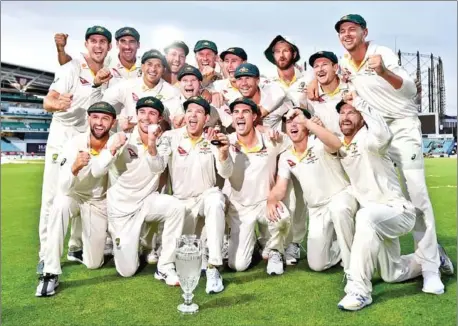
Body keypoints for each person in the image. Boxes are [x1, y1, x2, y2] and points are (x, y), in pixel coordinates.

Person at [331, 13, 453, 294]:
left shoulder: (380, 53)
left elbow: (410, 90)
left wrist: (384, 71)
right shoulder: (346, 63)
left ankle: (431, 268)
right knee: (381, 197)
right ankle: (386, 263)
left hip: (402, 130)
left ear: (365, 32)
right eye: (342, 31)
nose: (347, 34)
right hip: (375, 132)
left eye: (352, 29)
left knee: (418, 197)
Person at [330, 92, 450, 310]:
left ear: (363, 117)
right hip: (377, 220)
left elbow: (383, 135)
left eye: (352, 112)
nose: (345, 116)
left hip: (398, 212)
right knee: (392, 274)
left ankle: (359, 290)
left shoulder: (371, 140)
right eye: (342, 112)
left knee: (364, 216)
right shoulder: (342, 144)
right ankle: (435, 257)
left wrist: (361, 102)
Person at [37, 25, 112, 274]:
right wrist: (54, 104)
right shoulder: (71, 68)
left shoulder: (105, 69)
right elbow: (50, 98)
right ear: (86, 44)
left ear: (108, 47)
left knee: (86, 190)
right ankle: (45, 254)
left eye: (103, 41)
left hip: (87, 140)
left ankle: (75, 245)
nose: (99, 46)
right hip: (62, 139)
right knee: (53, 196)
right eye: (94, 41)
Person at [91, 96, 187, 284]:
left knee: (176, 207)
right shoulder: (121, 138)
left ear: (159, 119)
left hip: (146, 202)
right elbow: (96, 171)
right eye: (142, 112)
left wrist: (152, 144)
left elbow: (158, 168)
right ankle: (128, 241)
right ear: (136, 115)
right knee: (127, 271)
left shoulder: (163, 142)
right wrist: (111, 149)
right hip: (121, 210)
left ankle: (165, 267)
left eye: (152, 113)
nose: (146, 117)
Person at [35, 101, 117, 297]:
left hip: (97, 202)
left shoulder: (117, 143)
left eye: (105, 118)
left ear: (113, 122)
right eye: (95, 117)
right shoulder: (74, 143)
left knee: (94, 263)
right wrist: (74, 167)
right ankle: (50, 270)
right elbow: (62, 187)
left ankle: (80, 248)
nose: (99, 123)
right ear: (88, 118)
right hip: (74, 195)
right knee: (59, 204)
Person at [156, 96, 233, 294]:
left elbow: (225, 173)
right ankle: (165, 264)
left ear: (206, 118)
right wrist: (152, 144)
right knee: (185, 259)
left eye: (199, 112)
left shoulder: (213, 138)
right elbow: (157, 166)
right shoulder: (171, 137)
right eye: (189, 111)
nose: (193, 115)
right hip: (181, 205)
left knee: (216, 198)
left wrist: (223, 153)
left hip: (205, 199)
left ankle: (214, 268)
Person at [268, 108, 357, 274]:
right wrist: (271, 200)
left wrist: (308, 122)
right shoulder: (287, 156)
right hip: (316, 209)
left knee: (339, 210)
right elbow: (280, 187)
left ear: (307, 125)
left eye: (297, 120)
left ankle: (353, 267)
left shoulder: (319, 142)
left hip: (341, 197)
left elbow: (337, 144)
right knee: (317, 265)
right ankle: (345, 246)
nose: (293, 125)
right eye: (289, 121)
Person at [225, 97, 291, 275]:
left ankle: (276, 250)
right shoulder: (227, 141)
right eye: (236, 112)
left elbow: (293, 143)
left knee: (282, 216)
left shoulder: (272, 139)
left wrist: (274, 195)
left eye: (245, 111)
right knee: (237, 266)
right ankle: (251, 240)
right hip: (239, 209)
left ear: (254, 116)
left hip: (265, 203)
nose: (240, 116)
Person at [90, 49, 183, 130]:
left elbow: (175, 125)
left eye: (158, 66)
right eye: (149, 64)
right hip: (129, 144)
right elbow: (98, 106)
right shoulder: (127, 86)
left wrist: (135, 125)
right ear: (142, 67)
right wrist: (96, 85)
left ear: (164, 70)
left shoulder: (173, 92)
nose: (153, 69)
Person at [54, 27, 142, 85]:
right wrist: (61, 50)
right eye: (123, 41)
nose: (127, 46)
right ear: (116, 45)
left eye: (132, 42)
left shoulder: (146, 65)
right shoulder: (108, 62)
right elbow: (67, 62)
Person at [306, 51, 350, 135]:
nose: (320, 69)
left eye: (324, 64)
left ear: (335, 67)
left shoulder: (351, 88)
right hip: (325, 146)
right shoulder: (310, 96)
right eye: (316, 66)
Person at [263, 35, 312, 108]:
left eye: (285, 51)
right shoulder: (265, 84)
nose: (281, 55)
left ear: (294, 54)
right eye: (277, 51)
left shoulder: (309, 79)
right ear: (273, 55)